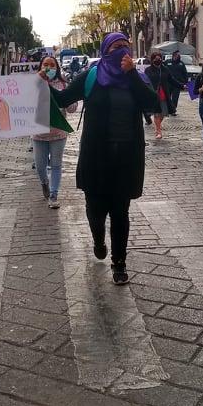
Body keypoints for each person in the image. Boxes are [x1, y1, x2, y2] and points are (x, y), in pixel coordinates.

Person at [48, 32, 157, 285]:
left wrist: (131, 74)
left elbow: (151, 102)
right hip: (96, 157)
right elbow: (64, 99)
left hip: (127, 158)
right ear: (105, 50)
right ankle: (98, 240)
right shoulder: (92, 76)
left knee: (121, 213)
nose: (122, 50)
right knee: (95, 211)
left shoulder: (137, 77)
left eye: (125, 47)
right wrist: (43, 83)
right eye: (116, 46)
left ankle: (119, 263)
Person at [33, 56, 77, 208]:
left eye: (52, 65)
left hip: (58, 132)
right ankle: (44, 183)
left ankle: (53, 195)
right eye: (45, 64)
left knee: (56, 164)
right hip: (38, 132)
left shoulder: (63, 84)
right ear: (40, 66)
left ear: (57, 68)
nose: (48, 68)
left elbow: (71, 109)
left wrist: (72, 99)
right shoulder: (33, 83)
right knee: (40, 166)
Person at [145, 51, 179, 140]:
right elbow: (145, 82)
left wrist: (181, 85)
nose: (158, 60)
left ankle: (157, 127)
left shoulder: (165, 69)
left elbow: (171, 79)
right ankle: (158, 131)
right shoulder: (148, 70)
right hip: (153, 94)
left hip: (163, 94)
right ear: (152, 60)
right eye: (156, 59)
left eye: (159, 59)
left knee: (163, 113)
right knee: (156, 113)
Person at [166, 50, 188, 115]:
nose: (176, 57)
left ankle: (173, 110)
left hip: (177, 84)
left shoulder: (181, 64)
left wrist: (185, 82)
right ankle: (168, 109)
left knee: (175, 98)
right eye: (175, 55)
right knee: (168, 97)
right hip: (168, 83)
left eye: (178, 55)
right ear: (173, 55)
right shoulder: (167, 62)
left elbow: (185, 73)